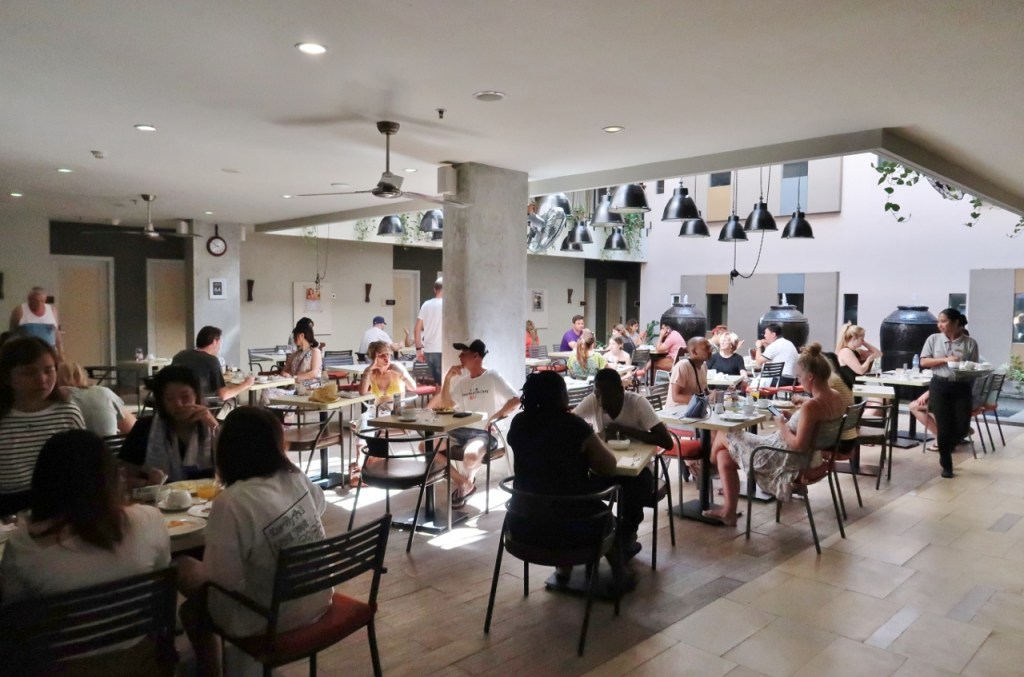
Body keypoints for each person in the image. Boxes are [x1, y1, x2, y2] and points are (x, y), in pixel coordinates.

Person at [177, 407, 329, 677]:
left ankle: (208, 671)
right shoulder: (294, 477)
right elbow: (320, 505)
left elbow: (221, 581)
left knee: (184, 573)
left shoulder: (232, 501)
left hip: (270, 618)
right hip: (317, 596)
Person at [0, 430, 171, 671]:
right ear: (111, 475)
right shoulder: (150, 519)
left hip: (60, 667)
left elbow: (14, 615)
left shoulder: (24, 545)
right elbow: (160, 580)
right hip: (139, 660)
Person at [507, 371, 632, 590]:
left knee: (552, 502)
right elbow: (608, 466)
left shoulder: (518, 423)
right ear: (560, 395)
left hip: (521, 524)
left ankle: (563, 568)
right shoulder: (574, 426)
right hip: (571, 531)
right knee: (604, 515)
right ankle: (620, 573)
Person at [706, 343, 845, 526]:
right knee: (724, 456)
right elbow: (811, 426)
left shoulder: (813, 406)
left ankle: (708, 466)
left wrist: (782, 425)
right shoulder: (835, 396)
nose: (798, 379)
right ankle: (728, 511)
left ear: (810, 377)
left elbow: (798, 445)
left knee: (725, 434)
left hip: (783, 458)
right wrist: (793, 417)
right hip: (804, 457)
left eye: (800, 376)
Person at [572, 368, 673, 558]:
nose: (601, 402)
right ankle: (605, 532)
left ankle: (625, 536)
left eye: (606, 395)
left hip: (638, 469)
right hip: (605, 468)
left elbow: (666, 441)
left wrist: (624, 430)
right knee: (580, 487)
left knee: (634, 488)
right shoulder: (594, 400)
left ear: (621, 390)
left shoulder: (636, 403)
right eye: (598, 395)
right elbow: (571, 422)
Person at [429, 339, 519, 508]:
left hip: (486, 433)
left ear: (476, 355)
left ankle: (467, 481)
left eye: (464, 353)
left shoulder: (492, 376)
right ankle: (464, 483)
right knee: (425, 447)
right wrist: (448, 379)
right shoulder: (463, 382)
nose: (460, 356)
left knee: (470, 456)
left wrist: (496, 416)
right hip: (461, 430)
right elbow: (446, 405)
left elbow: (515, 400)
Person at [0, 337, 84, 515]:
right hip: (9, 507)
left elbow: (82, 465)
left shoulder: (68, 412)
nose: (42, 379)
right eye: (29, 373)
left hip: (61, 503)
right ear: (7, 377)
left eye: (49, 370)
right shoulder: (4, 418)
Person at [118, 366, 218, 485]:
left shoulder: (212, 427)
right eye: (169, 399)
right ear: (161, 401)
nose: (178, 404)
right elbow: (124, 476)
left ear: (197, 395)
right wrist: (147, 483)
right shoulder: (145, 427)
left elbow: (234, 469)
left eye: (185, 397)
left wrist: (213, 425)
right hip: (157, 500)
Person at [920, 308, 979, 478]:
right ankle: (946, 464)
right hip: (940, 386)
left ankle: (947, 445)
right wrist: (945, 360)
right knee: (944, 427)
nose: (940, 325)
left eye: (944, 321)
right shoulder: (933, 339)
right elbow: (924, 362)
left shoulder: (970, 343)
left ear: (956, 323)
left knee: (962, 427)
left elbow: (973, 367)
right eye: (939, 321)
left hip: (962, 387)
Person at [171, 326, 254, 404]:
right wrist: (246, 384)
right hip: (201, 404)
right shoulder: (211, 361)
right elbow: (224, 395)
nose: (219, 348)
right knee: (231, 402)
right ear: (214, 341)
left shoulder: (180, 355)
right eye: (219, 343)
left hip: (176, 402)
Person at [57, 361, 136, 436]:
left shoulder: (51, 401)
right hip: (111, 448)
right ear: (79, 377)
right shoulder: (103, 392)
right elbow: (132, 427)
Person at [359, 340, 417, 419]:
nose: (386, 357)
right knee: (362, 422)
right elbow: (362, 392)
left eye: (388, 354)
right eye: (381, 355)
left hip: (398, 413)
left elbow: (413, 387)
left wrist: (400, 373)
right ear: (374, 358)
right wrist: (368, 370)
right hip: (377, 413)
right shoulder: (370, 372)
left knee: (365, 426)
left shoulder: (397, 367)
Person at [8, 286, 63, 356]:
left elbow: (56, 333)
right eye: (36, 301)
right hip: (27, 354)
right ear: (29, 299)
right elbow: (12, 335)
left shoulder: (52, 310)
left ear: (45, 299)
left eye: (42, 301)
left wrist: (61, 353)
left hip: (49, 354)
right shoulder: (19, 311)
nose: (39, 304)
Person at [415, 277, 444, 384]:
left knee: (437, 384)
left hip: (429, 350)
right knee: (444, 385)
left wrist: (419, 350)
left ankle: (434, 400)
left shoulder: (426, 305)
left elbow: (417, 329)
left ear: (434, 290)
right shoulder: (448, 305)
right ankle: (436, 401)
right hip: (442, 349)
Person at [668, 336, 712, 406]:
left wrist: (723, 393)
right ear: (694, 351)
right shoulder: (683, 366)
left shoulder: (704, 365)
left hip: (695, 410)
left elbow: (706, 392)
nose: (710, 351)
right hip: (677, 412)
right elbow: (676, 397)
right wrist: (703, 400)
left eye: (710, 347)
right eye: (706, 348)